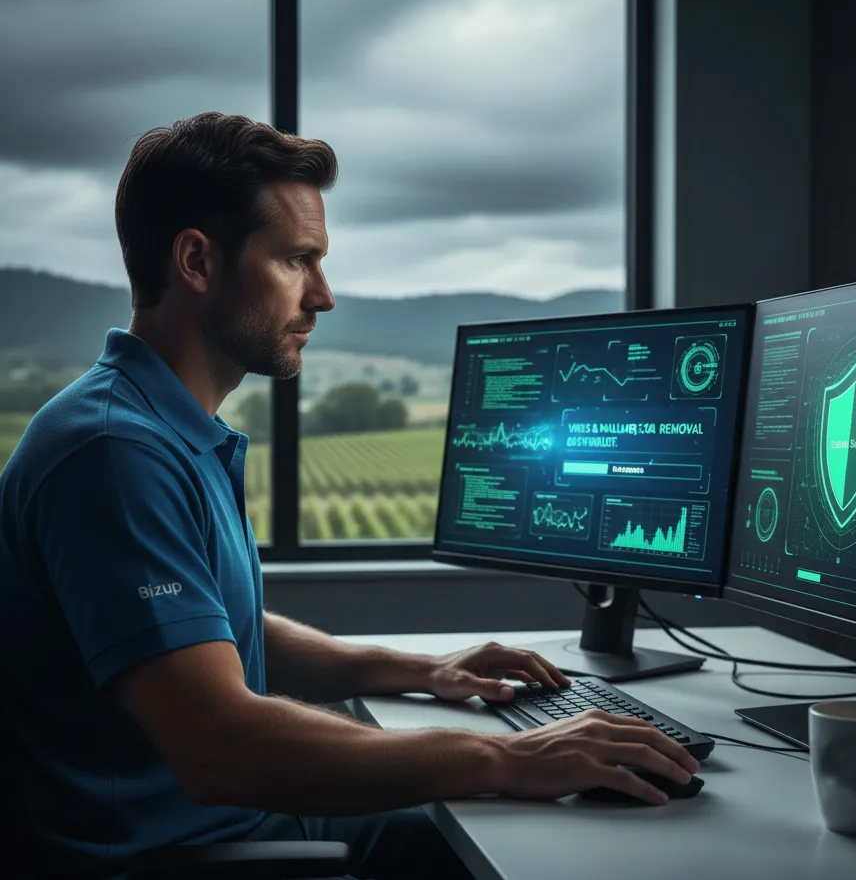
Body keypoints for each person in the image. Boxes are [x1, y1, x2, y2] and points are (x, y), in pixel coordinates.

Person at [0, 113, 699, 880]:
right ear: (197, 260)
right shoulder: (113, 452)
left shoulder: (153, 425)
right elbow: (218, 747)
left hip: (225, 827)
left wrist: (416, 670)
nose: (324, 296)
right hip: (179, 857)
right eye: (297, 260)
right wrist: (507, 755)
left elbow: (199, 627)